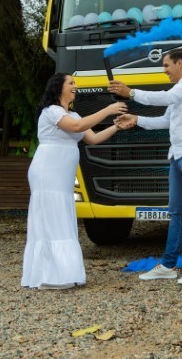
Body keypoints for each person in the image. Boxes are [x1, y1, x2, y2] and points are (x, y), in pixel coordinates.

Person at [109, 50, 182, 285]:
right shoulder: (179, 92)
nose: (164, 70)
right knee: (176, 211)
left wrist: (131, 93)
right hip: (178, 154)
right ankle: (168, 266)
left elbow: (166, 98)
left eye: (167, 65)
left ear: (180, 63)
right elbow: (165, 121)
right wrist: (136, 119)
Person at [21, 72, 127, 290]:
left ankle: (63, 273)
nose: (75, 86)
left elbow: (93, 138)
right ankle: (50, 275)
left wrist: (117, 126)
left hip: (62, 174)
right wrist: (108, 110)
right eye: (71, 83)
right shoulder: (52, 112)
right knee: (52, 218)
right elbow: (76, 128)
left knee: (62, 217)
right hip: (48, 170)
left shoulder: (74, 114)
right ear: (59, 87)